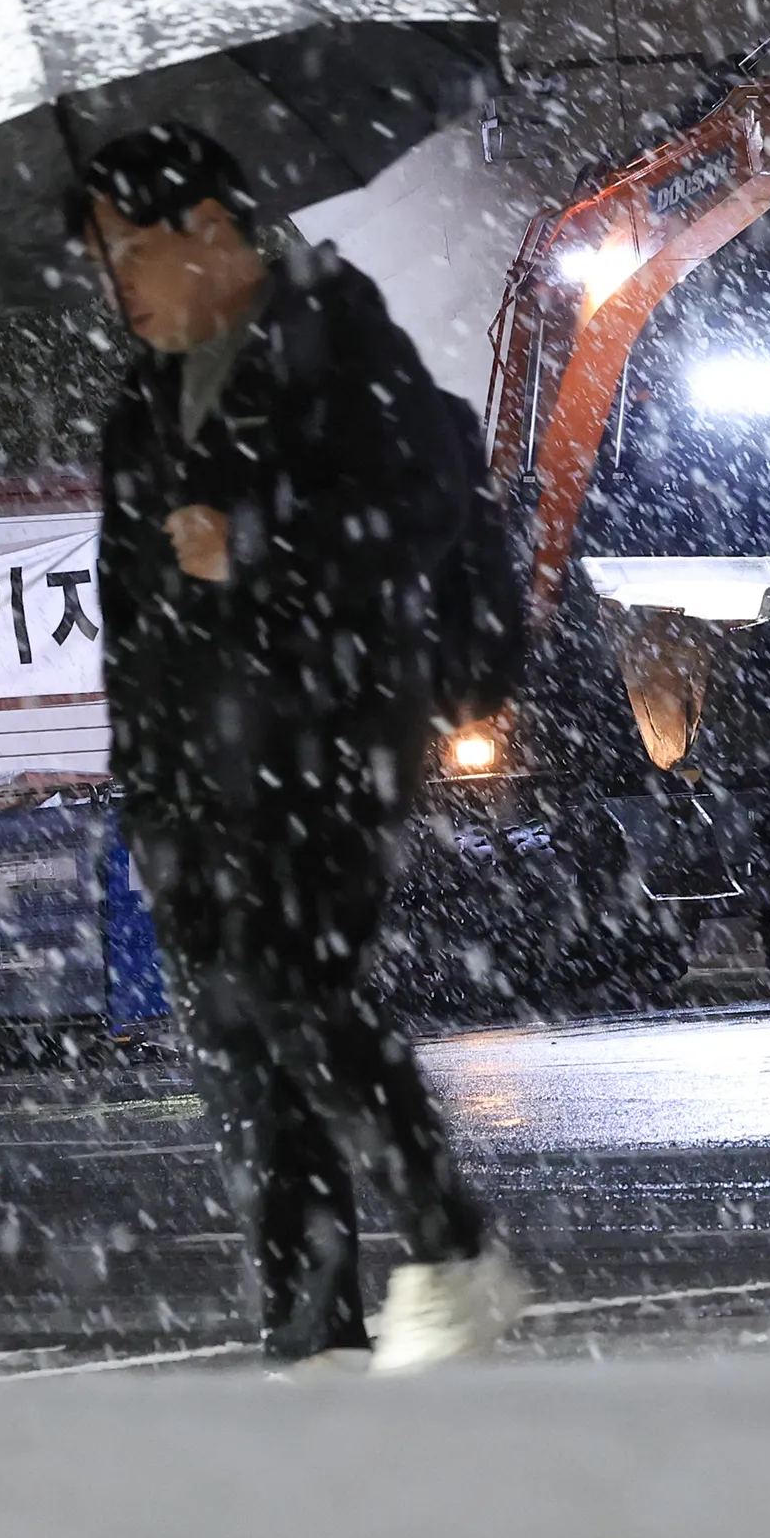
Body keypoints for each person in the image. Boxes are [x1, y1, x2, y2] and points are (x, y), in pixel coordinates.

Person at [78, 123, 530, 1374]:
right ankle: (308, 1313)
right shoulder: (141, 400)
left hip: (321, 732)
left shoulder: (340, 344)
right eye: (101, 260)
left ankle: (450, 1244)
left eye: (130, 250)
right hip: (185, 767)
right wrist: (146, 771)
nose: (116, 284)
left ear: (214, 230)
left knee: (289, 983)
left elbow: (419, 513)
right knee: (236, 1035)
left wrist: (259, 538)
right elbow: (133, 610)